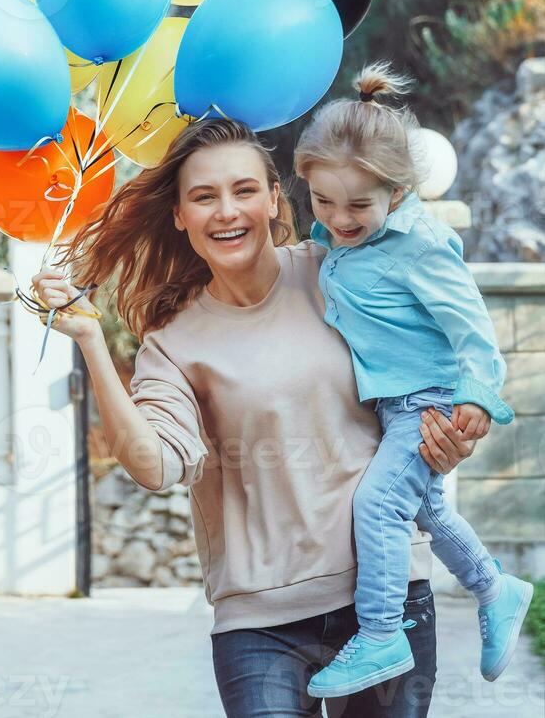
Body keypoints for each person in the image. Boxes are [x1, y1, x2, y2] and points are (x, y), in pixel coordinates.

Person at [32, 118, 474, 717]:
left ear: (273, 198)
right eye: (203, 196)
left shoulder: (342, 274)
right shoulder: (173, 340)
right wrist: (89, 341)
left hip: (385, 601)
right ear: (180, 216)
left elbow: (428, 374)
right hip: (259, 624)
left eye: (243, 190)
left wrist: (443, 437)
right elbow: (155, 466)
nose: (225, 211)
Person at [294, 63, 533, 701]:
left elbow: (475, 333)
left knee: (377, 505)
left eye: (358, 206)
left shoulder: (421, 243)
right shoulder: (341, 243)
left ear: (397, 193)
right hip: (392, 408)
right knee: (423, 507)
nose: (339, 218)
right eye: (322, 201)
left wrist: (477, 395)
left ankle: (380, 633)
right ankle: (493, 586)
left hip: (425, 404)